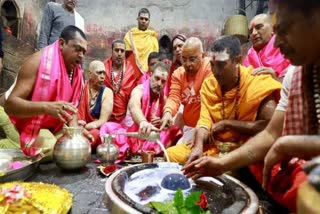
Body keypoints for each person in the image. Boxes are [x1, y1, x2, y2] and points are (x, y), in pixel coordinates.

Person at [183, 1, 320, 211]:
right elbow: (272, 135)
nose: (275, 44)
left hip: (249, 150)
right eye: (212, 65)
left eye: (283, 30)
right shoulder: (296, 74)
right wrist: (218, 161)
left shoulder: (258, 80)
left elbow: (268, 130)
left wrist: (295, 144)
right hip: (217, 149)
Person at [167, 35, 281, 164]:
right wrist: (198, 147)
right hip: (214, 146)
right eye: (212, 65)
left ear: (237, 60)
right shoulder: (209, 85)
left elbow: (271, 126)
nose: (215, 71)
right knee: (170, 155)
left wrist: (227, 124)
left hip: (244, 148)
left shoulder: (256, 83)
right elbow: (204, 122)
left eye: (221, 65)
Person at [5, 25, 91, 159]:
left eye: (84, 52)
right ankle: (5, 146)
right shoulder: (37, 61)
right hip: (14, 118)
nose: (81, 56)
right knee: (55, 150)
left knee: (78, 146)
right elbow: (10, 105)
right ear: (62, 43)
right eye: (77, 49)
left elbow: (71, 109)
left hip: (47, 125)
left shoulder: (77, 73)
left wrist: (75, 133)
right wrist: (46, 107)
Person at [102, 62, 181, 162]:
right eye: (157, 78)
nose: (159, 84)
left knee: (174, 130)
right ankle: (146, 150)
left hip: (150, 134)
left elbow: (168, 118)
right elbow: (134, 106)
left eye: (163, 81)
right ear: (150, 74)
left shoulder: (163, 98)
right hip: (134, 132)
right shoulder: (139, 90)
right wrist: (143, 122)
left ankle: (147, 149)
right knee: (108, 128)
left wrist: (163, 122)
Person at [160, 37, 212, 145]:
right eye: (184, 59)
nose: (187, 64)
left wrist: (201, 132)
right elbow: (174, 97)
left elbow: (209, 102)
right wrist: (168, 113)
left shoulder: (209, 68)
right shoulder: (178, 74)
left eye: (192, 59)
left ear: (202, 56)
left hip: (207, 127)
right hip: (188, 128)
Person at [77, 60, 113, 149]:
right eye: (99, 73)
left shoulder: (107, 92)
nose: (102, 77)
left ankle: (79, 148)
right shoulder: (81, 87)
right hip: (77, 126)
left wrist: (88, 126)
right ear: (90, 74)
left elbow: (103, 120)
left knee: (95, 134)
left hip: (94, 129)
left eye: (104, 73)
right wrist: (78, 125)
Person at [243, 14, 290, 79]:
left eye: (259, 27)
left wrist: (276, 79)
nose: (253, 33)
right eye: (250, 31)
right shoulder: (249, 56)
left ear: (273, 29)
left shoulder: (287, 48)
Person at [103, 39, 139, 123]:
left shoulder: (131, 71)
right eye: (116, 50)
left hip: (125, 119)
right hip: (103, 117)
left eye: (122, 51)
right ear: (112, 51)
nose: (119, 53)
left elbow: (134, 97)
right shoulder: (103, 68)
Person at [124, 8, 159, 79]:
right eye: (141, 18)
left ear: (149, 21)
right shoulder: (129, 36)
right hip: (132, 75)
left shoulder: (152, 37)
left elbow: (155, 60)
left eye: (146, 19)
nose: (143, 21)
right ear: (137, 19)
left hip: (148, 77)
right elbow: (127, 58)